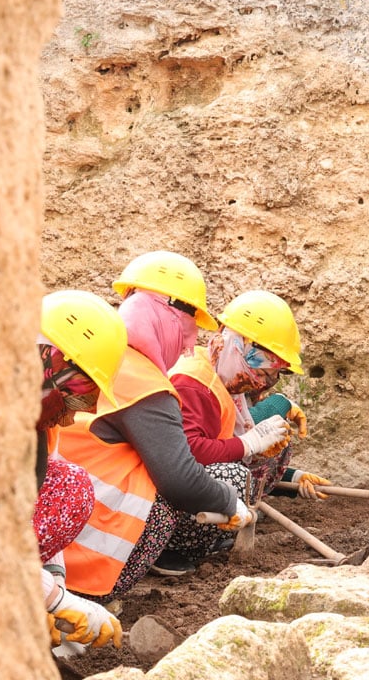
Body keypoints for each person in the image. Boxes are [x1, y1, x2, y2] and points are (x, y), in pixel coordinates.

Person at [55, 252, 263, 601]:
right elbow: (179, 476)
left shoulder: (105, 358)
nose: (187, 345)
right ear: (165, 316)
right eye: (188, 332)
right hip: (78, 540)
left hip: (51, 520)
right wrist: (231, 502)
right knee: (162, 511)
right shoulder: (148, 384)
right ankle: (87, 599)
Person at [163, 290, 331, 570]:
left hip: (186, 487)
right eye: (263, 374)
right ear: (238, 349)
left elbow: (226, 443)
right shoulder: (192, 383)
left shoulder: (224, 378)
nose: (263, 385)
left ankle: (224, 525)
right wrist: (249, 443)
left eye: (272, 378)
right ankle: (178, 550)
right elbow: (188, 454)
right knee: (233, 475)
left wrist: (293, 479)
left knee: (276, 439)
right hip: (166, 502)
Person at [35, 290, 127, 652]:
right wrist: (56, 599)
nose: (73, 414)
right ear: (54, 363)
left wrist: (54, 581)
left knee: (66, 480)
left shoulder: (38, 427)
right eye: (77, 394)